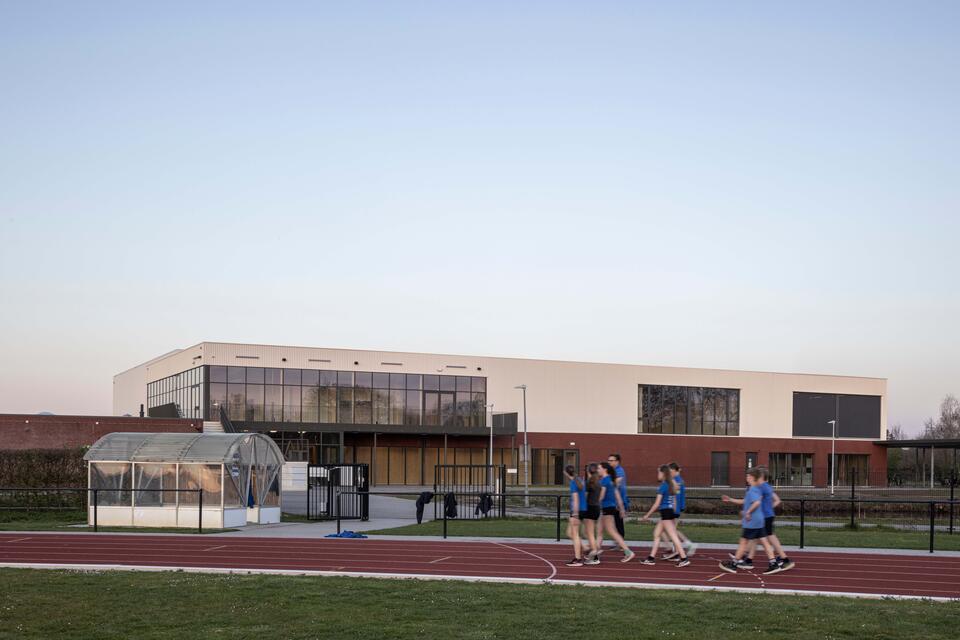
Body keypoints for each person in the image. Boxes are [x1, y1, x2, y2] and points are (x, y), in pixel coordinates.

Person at [718, 468, 777, 573]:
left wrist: (748, 512)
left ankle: (734, 564)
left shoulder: (753, 489)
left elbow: (757, 502)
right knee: (764, 542)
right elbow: (745, 501)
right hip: (759, 520)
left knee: (743, 542)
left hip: (752, 521)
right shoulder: (757, 489)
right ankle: (773, 564)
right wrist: (731, 499)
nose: (746, 477)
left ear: (752, 477)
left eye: (748, 476)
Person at [745, 467, 795, 573]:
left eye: (756, 475)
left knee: (766, 538)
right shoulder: (767, 486)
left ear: (761, 476)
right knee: (757, 538)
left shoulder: (761, 487)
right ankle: (747, 559)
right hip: (768, 515)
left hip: (765, 516)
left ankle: (784, 559)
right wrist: (769, 507)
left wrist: (748, 510)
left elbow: (756, 501)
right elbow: (776, 500)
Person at [639, 464, 690, 567]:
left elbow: (657, 504)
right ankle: (651, 558)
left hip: (666, 513)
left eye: (658, 472)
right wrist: (674, 512)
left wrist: (647, 515)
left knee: (673, 536)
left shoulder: (663, 486)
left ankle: (684, 558)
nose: (657, 475)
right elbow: (674, 500)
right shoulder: (671, 484)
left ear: (663, 473)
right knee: (657, 533)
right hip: (669, 512)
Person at [588, 462, 635, 563]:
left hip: (607, 508)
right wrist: (621, 509)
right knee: (599, 531)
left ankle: (628, 552)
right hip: (609, 508)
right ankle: (595, 555)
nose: (598, 470)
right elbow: (617, 496)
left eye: (599, 468)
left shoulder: (604, 481)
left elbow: (601, 496)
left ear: (605, 469)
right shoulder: (611, 480)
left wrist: (592, 504)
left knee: (612, 531)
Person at [662, 462, 697, 560]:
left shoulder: (677, 481)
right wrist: (681, 507)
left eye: (670, 471)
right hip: (675, 508)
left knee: (670, 531)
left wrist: (675, 509)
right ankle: (676, 550)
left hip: (673, 509)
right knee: (670, 530)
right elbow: (680, 496)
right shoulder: (679, 480)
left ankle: (680, 548)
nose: (668, 473)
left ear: (674, 470)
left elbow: (676, 496)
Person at [563, 464, 587, 566]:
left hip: (577, 510)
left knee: (575, 534)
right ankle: (586, 548)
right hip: (582, 509)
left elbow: (576, 499)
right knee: (570, 533)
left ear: (566, 473)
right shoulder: (580, 480)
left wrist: (575, 514)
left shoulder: (574, 483)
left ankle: (578, 559)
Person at [580, 463, 601, 565]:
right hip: (596, 508)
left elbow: (584, 497)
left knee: (590, 534)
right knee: (587, 532)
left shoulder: (589, 483)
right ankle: (593, 551)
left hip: (590, 508)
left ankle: (595, 556)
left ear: (588, 471)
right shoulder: (598, 482)